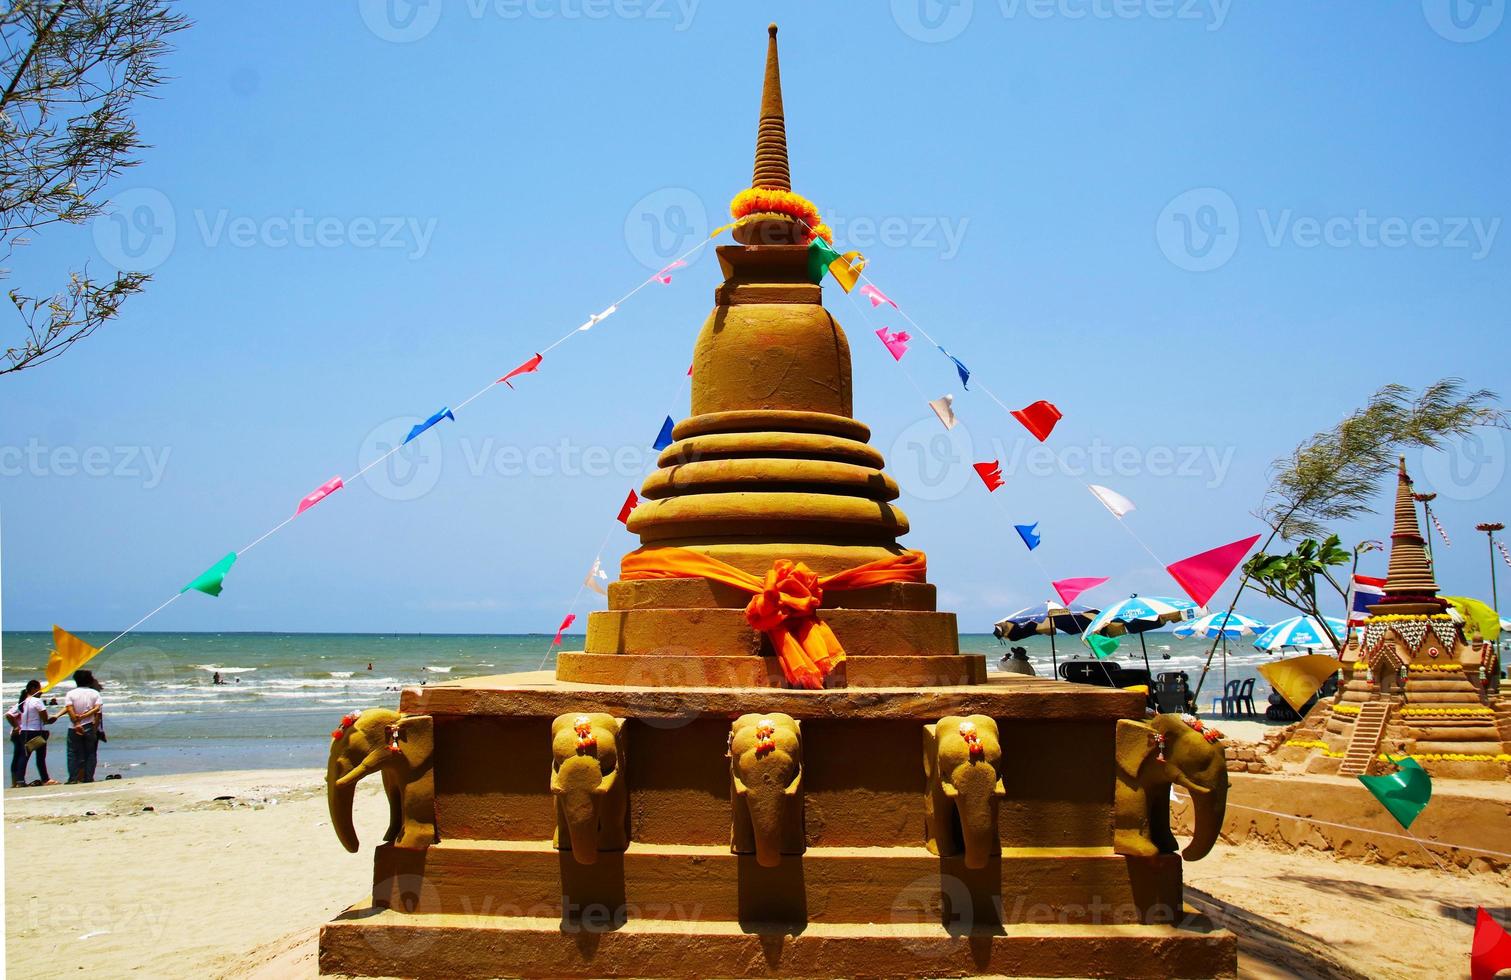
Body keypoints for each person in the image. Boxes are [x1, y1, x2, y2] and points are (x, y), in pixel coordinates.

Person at [7, 680, 60, 788]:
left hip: (25, 732)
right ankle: (45, 779)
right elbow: (45, 719)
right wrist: (52, 719)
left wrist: (16, 727)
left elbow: (9, 715)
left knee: (24, 756)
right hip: (36, 731)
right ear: (32, 689)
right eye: (38, 688)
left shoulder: (23, 702)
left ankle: (20, 780)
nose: (40, 691)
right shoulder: (37, 701)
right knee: (40, 757)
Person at [63, 669, 104, 784]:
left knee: (73, 752)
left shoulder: (70, 694)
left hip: (73, 726)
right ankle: (88, 777)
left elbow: (70, 710)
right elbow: (97, 711)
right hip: (89, 725)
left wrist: (76, 723)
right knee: (90, 752)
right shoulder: (95, 693)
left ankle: (73, 778)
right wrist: (95, 728)